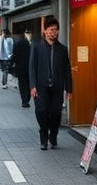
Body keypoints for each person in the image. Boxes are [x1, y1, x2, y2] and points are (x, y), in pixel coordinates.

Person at [28, 18, 72, 150]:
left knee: (56, 113)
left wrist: (69, 89)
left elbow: (67, 70)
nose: (54, 33)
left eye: (56, 30)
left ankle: (53, 134)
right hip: (41, 87)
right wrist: (32, 86)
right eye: (51, 30)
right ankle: (43, 137)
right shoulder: (36, 46)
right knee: (41, 111)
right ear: (45, 31)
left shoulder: (62, 49)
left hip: (57, 87)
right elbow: (32, 67)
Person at [13, 30, 32, 107]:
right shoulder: (30, 44)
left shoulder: (17, 44)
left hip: (21, 68)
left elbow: (14, 55)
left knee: (23, 85)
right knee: (27, 85)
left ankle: (24, 100)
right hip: (27, 68)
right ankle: (26, 99)